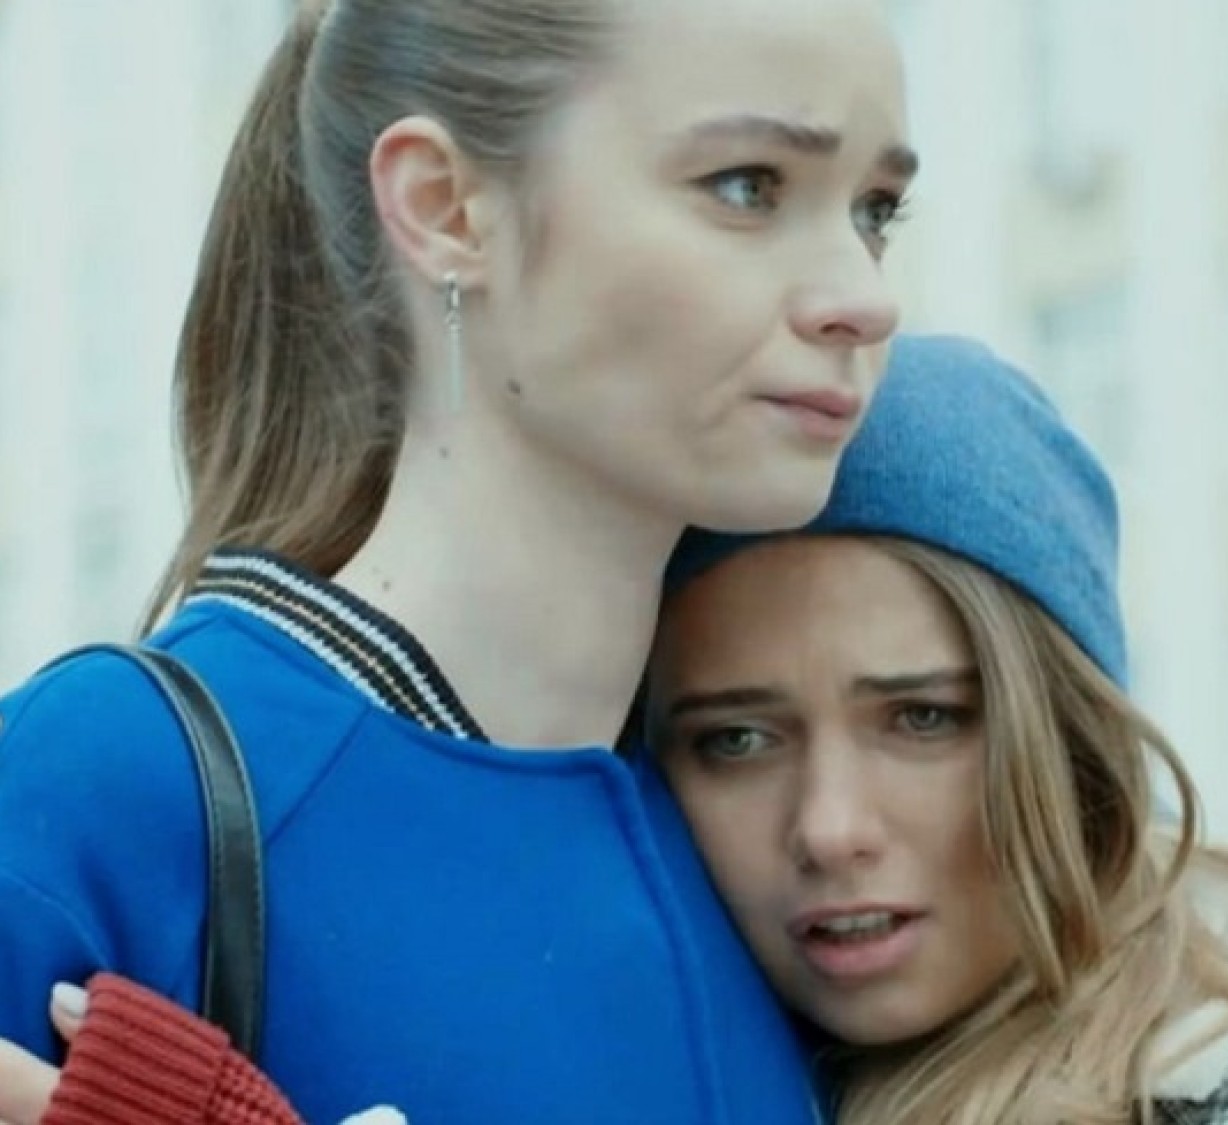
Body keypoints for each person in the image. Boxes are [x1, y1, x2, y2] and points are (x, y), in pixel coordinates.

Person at [6, 335, 1228, 1125]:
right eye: (733, 740)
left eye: (923, 717)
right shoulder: (670, 1053)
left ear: (1072, 748)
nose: (829, 828)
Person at [0, 0, 915, 1120]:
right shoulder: (113, 780)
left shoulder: (775, 857)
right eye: (747, 187)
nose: (865, 298)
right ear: (444, 206)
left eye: (877, 210)